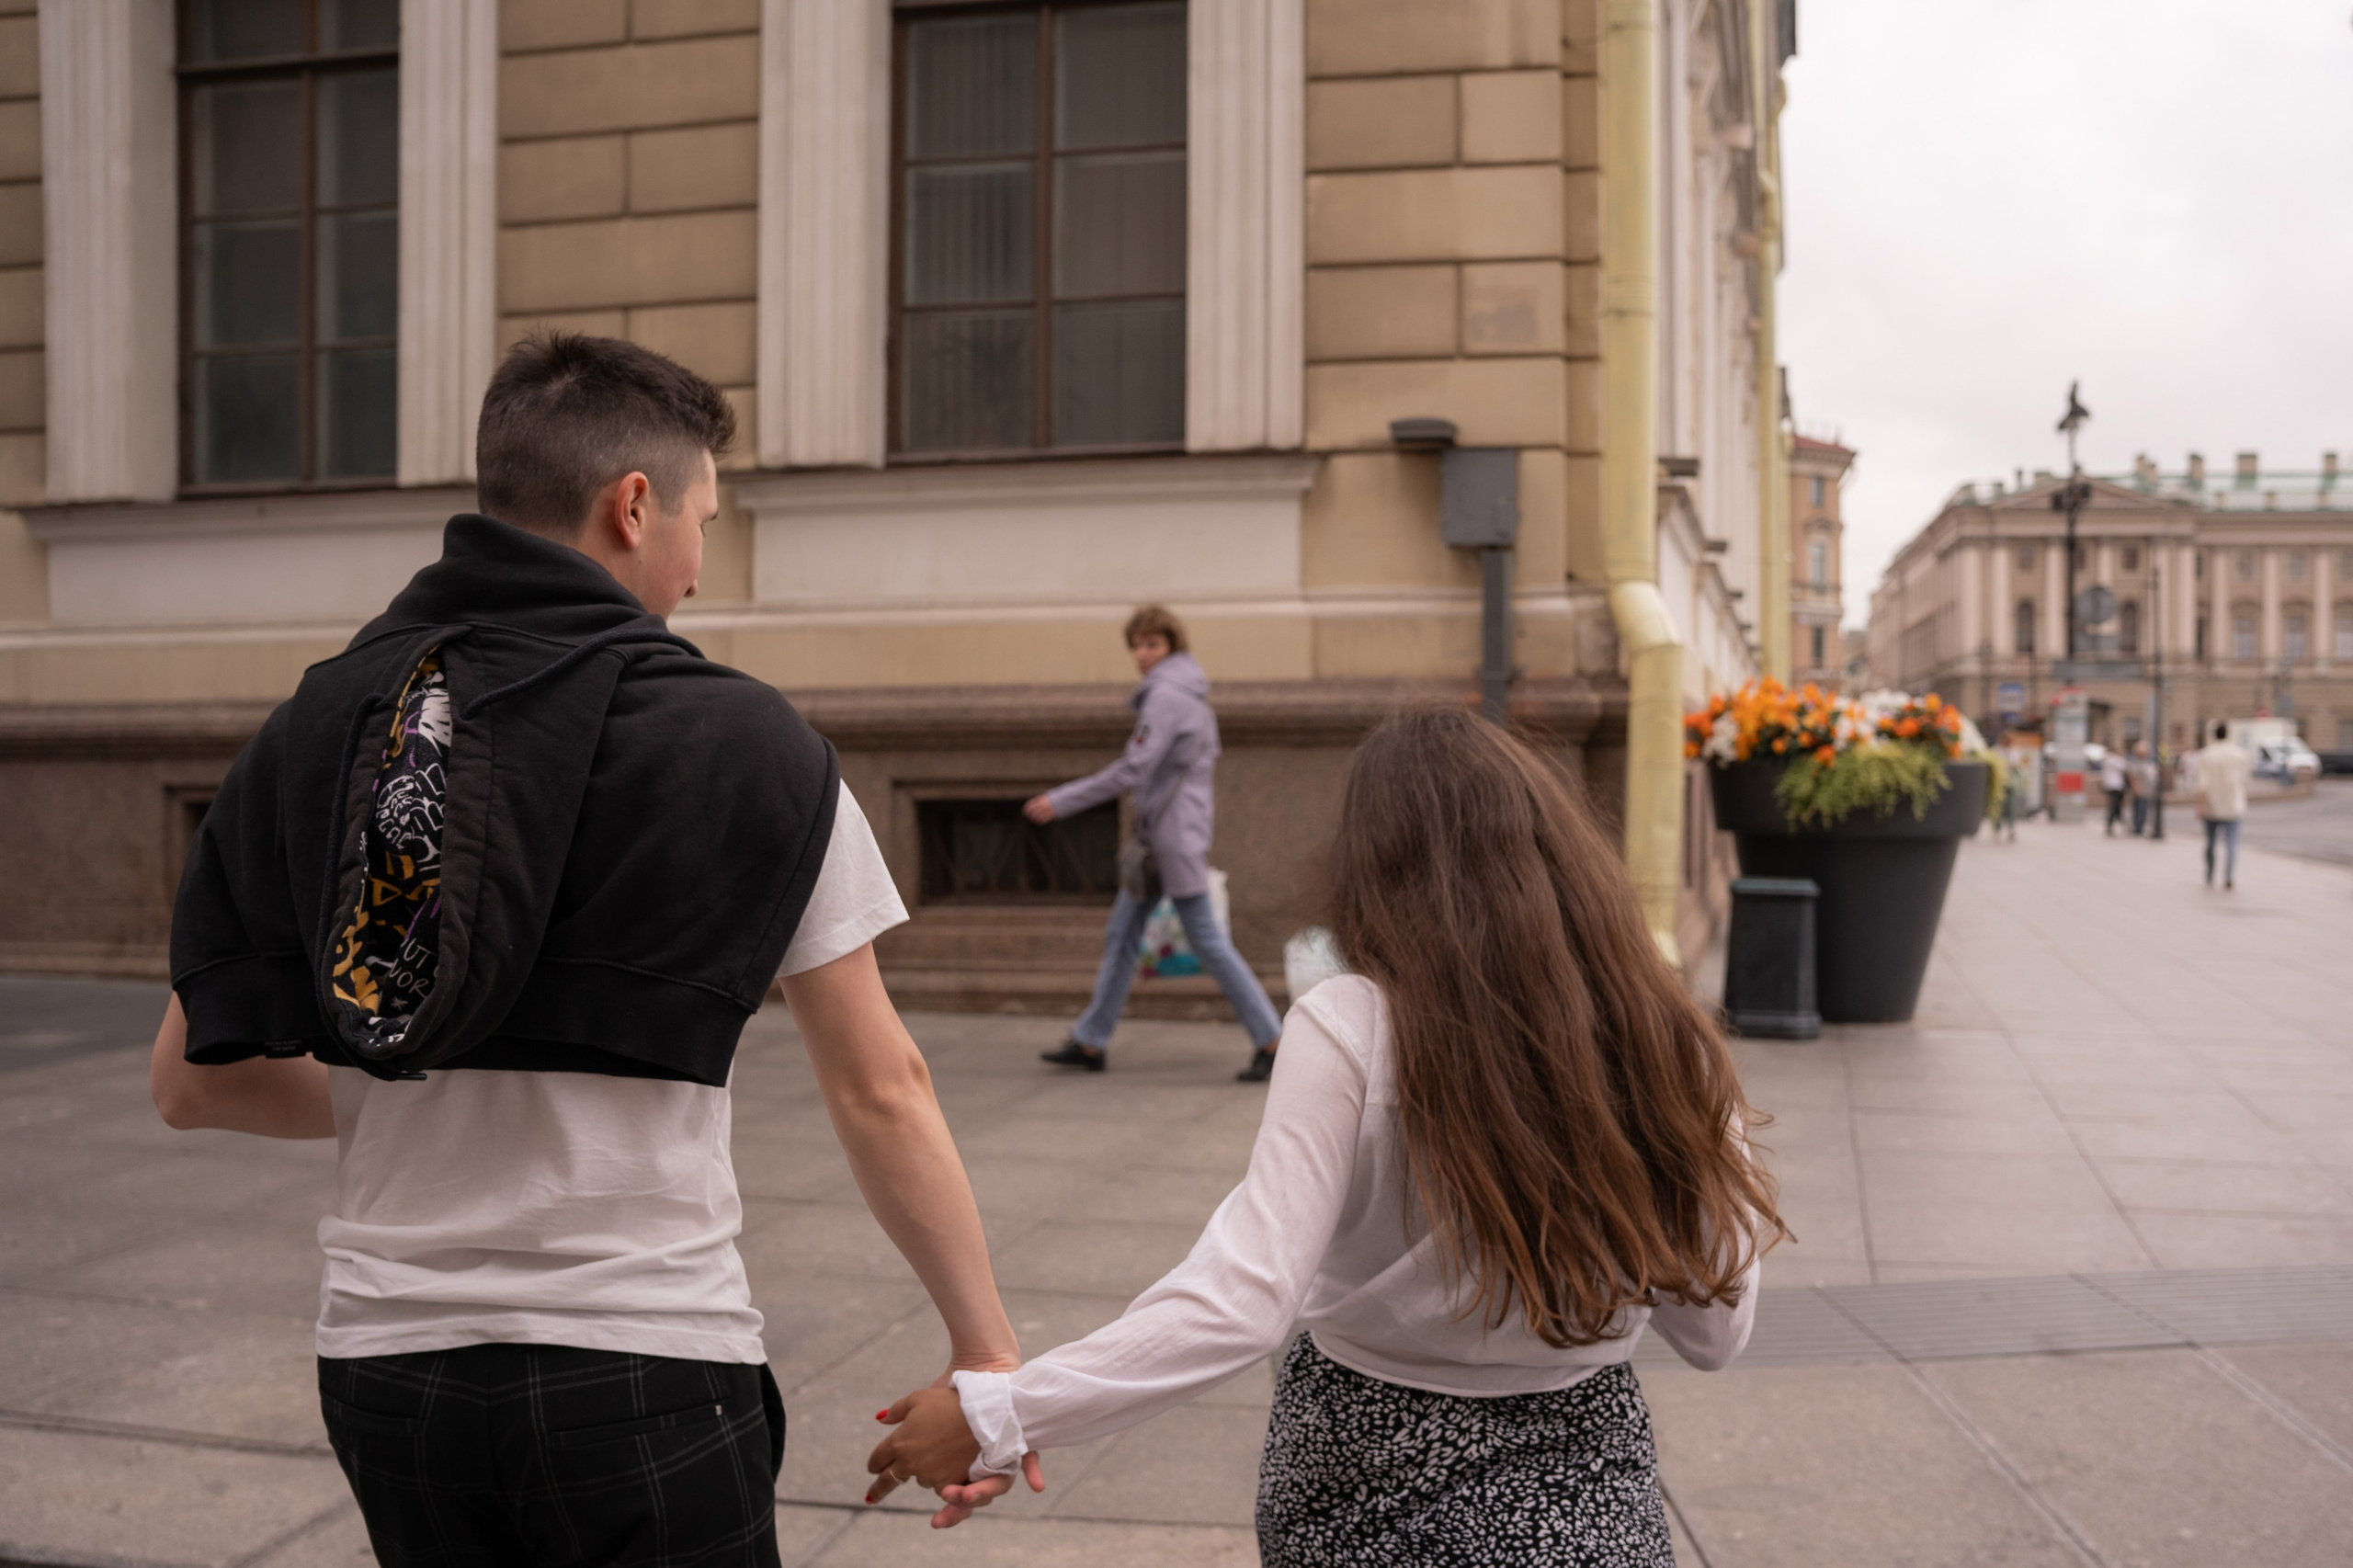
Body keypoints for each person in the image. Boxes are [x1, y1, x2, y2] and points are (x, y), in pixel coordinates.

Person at [149, 333, 1028, 1564]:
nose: (701, 568)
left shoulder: (316, 729)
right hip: (643, 1362)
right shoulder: (752, 746)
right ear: (631, 507)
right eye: (704, 520)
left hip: (391, 1372)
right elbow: (880, 1083)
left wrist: (404, 1084)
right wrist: (987, 1354)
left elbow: (189, 1082)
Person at [877, 708, 1785, 1565]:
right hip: (1585, 1483)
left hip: (1362, 1465)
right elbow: (1715, 1331)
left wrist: (1004, 1410)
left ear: (1374, 866)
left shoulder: (1353, 1022)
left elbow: (1242, 1295)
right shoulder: (1660, 1031)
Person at [1027, 606, 1284, 1082]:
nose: (1141, 655)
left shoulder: (1167, 696)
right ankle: (1090, 1041)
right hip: (1165, 839)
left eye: (1152, 645)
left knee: (1208, 941)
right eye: (1136, 645)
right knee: (1122, 936)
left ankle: (1273, 1039)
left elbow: (1134, 769)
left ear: (1172, 646)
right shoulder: (1191, 694)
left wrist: (1061, 800)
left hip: (1172, 843)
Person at [2195, 721, 2253, 890]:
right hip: (2233, 804)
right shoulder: (2239, 754)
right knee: (2232, 843)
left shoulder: (2207, 754)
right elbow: (2245, 781)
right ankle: (2228, 875)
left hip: (2211, 805)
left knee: (2211, 842)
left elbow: (2202, 784)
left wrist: (2199, 805)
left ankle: (2210, 873)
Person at [2129, 740, 2160, 836]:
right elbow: (2132, 777)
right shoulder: (2135, 763)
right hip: (2141, 790)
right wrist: (2137, 788)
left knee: (2146, 810)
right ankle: (2137, 828)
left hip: (2149, 790)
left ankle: (2142, 827)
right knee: (2139, 810)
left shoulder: (2149, 762)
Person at [2100, 744, 2130, 835]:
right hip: (2116, 786)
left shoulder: (2107, 759)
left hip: (2111, 785)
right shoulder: (2114, 759)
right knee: (2115, 806)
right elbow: (2125, 766)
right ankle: (2117, 824)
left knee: (2116, 806)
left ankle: (2119, 824)